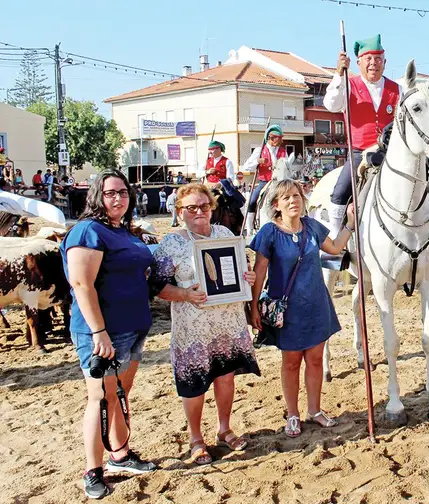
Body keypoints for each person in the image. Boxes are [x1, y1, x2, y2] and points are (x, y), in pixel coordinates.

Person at [59, 170, 158, 499]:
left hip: (134, 327)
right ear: (97, 196)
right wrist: (98, 331)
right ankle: (93, 469)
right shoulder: (87, 231)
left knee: (119, 394)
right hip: (103, 332)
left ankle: (119, 455)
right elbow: (81, 284)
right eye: (110, 193)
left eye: (124, 193)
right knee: (100, 398)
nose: (118, 198)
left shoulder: (124, 232)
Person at [152, 183, 260, 465]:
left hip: (228, 322)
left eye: (204, 206)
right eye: (191, 208)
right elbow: (157, 286)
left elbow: (241, 270)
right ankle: (196, 439)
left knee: (225, 377)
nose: (199, 212)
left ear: (212, 208)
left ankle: (224, 429)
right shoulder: (171, 243)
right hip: (193, 327)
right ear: (180, 212)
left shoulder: (225, 234)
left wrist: (246, 278)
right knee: (195, 384)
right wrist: (185, 294)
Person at [249, 180, 356, 437]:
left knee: (316, 360)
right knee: (291, 362)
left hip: (316, 304)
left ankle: (315, 410)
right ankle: (293, 414)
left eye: (296, 195)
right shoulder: (269, 232)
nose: (293, 200)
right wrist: (252, 307)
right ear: (276, 205)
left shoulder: (312, 227)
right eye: (286, 197)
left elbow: (334, 248)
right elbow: (259, 271)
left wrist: (350, 224)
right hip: (287, 310)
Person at [323, 33, 401, 235]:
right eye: (368, 59)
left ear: (385, 62)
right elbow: (331, 105)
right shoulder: (348, 85)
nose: (373, 63)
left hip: (392, 152)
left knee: (428, 181)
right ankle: (334, 237)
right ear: (358, 63)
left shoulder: (397, 88)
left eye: (378, 59)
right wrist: (339, 74)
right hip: (360, 153)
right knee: (340, 192)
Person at [241, 125, 284, 232]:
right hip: (265, 181)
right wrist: (258, 161)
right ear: (269, 137)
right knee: (252, 200)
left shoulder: (283, 151)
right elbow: (246, 166)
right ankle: (250, 227)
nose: (278, 141)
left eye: (280, 138)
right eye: (276, 138)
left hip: (280, 182)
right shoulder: (260, 150)